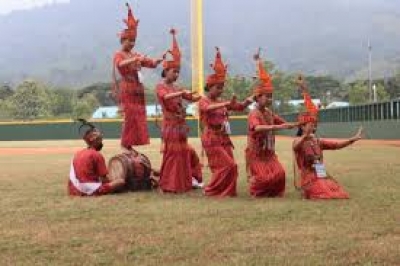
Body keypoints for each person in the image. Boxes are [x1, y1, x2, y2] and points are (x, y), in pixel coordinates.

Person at [292, 76, 363, 199]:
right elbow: (296, 146)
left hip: (320, 173)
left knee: (335, 190)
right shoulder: (298, 141)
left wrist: (352, 139)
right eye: (310, 125)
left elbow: (336, 145)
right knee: (323, 192)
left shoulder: (318, 141)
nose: (313, 127)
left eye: (314, 125)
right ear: (302, 127)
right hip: (308, 177)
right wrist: (305, 136)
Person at [199, 47, 253, 197]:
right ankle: (212, 190)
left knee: (230, 166)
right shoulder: (203, 101)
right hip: (211, 138)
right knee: (227, 165)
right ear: (210, 87)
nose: (221, 90)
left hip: (224, 138)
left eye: (222, 87)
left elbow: (238, 106)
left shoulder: (222, 101)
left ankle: (227, 192)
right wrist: (226, 104)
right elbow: (209, 108)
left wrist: (248, 101)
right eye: (218, 87)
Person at [246, 50, 299, 198]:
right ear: (258, 97)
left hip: (269, 155)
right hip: (257, 155)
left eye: (271, 97)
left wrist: (298, 124)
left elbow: (283, 122)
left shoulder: (269, 113)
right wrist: (278, 127)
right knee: (264, 179)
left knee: (280, 176)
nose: (269, 99)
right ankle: (255, 183)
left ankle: (269, 188)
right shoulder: (254, 113)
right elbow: (257, 128)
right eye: (266, 96)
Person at [156, 29, 203, 193]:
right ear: (166, 71)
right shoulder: (160, 87)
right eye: (173, 71)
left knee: (183, 153)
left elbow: (188, 97)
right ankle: (169, 184)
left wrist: (197, 97)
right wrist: (182, 93)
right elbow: (166, 98)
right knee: (172, 154)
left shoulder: (177, 87)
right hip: (170, 125)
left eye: (178, 72)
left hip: (181, 124)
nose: (176, 74)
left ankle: (182, 184)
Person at [112, 3, 163, 152]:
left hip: (138, 90)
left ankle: (130, 144)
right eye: (130, 40)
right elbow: (120, 64)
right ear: (123, 40)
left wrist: (156, 61)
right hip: (128, 88)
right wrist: (134, 60)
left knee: (138, 116)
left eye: (134, 41)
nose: (132, 43)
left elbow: (149, 63)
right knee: (130, 116)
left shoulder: (135, 55)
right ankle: (125, 143)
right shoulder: (119, 54)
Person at [68, 119, 125, 196]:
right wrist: (112, 182)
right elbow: (104, 180)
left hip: (73, 190)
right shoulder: (96, 155)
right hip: (88, 190)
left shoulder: (78, 153)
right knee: (121, 181)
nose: (101, 143)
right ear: (94, 140)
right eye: (100, 140)